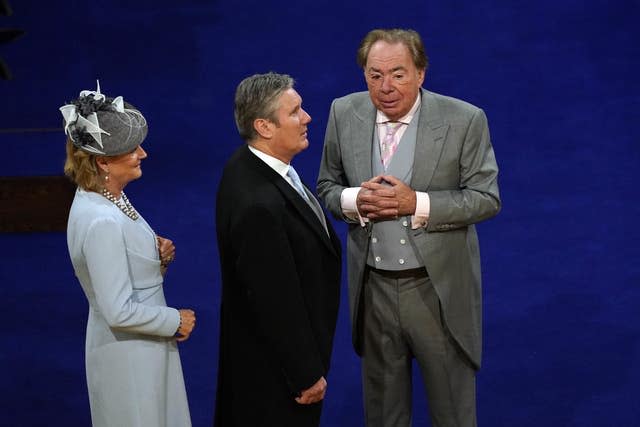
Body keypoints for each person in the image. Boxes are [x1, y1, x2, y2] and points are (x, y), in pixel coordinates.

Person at [317, 28, 501, 427]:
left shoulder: (464, 119)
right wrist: (353, 201)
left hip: (437, 292)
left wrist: (415, 202)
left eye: (398, 74)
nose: (386, 87)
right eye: (375, 74)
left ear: (421, 73)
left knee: (452, 413)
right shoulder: (343, 112)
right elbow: (326, 186)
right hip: (374, 291)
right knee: (383, 415)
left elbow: (486, 199)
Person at [63, 83, 196, 427]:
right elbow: (118, 310)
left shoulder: (107, 198)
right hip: (130, 356)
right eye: (131, 149)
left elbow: (122, 276)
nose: (143, 154)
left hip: (142, 348)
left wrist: (157, 260)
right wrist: (174, 320)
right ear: (103, 161)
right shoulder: (101, 220)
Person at [214, 72, 341, 427]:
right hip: (276, 379)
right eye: (295, 112)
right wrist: (305, 372)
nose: (307, 118)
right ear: (264, 127)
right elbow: (273, 297)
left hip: (266, 365)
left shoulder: (249, 165)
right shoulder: (258, 203)